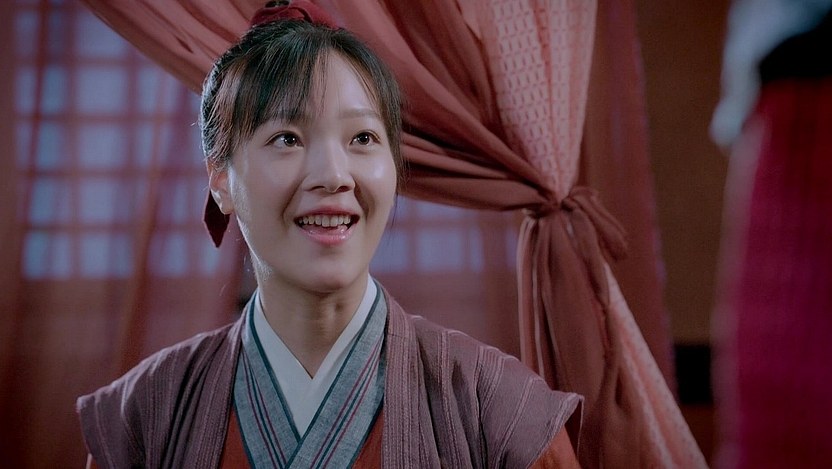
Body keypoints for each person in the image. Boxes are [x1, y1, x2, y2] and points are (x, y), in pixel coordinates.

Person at [76, 2, 582, 467]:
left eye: (362, 137)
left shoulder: (500, 412)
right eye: (287, 138)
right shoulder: (142, 418)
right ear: (220, 180)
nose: (334, 176)